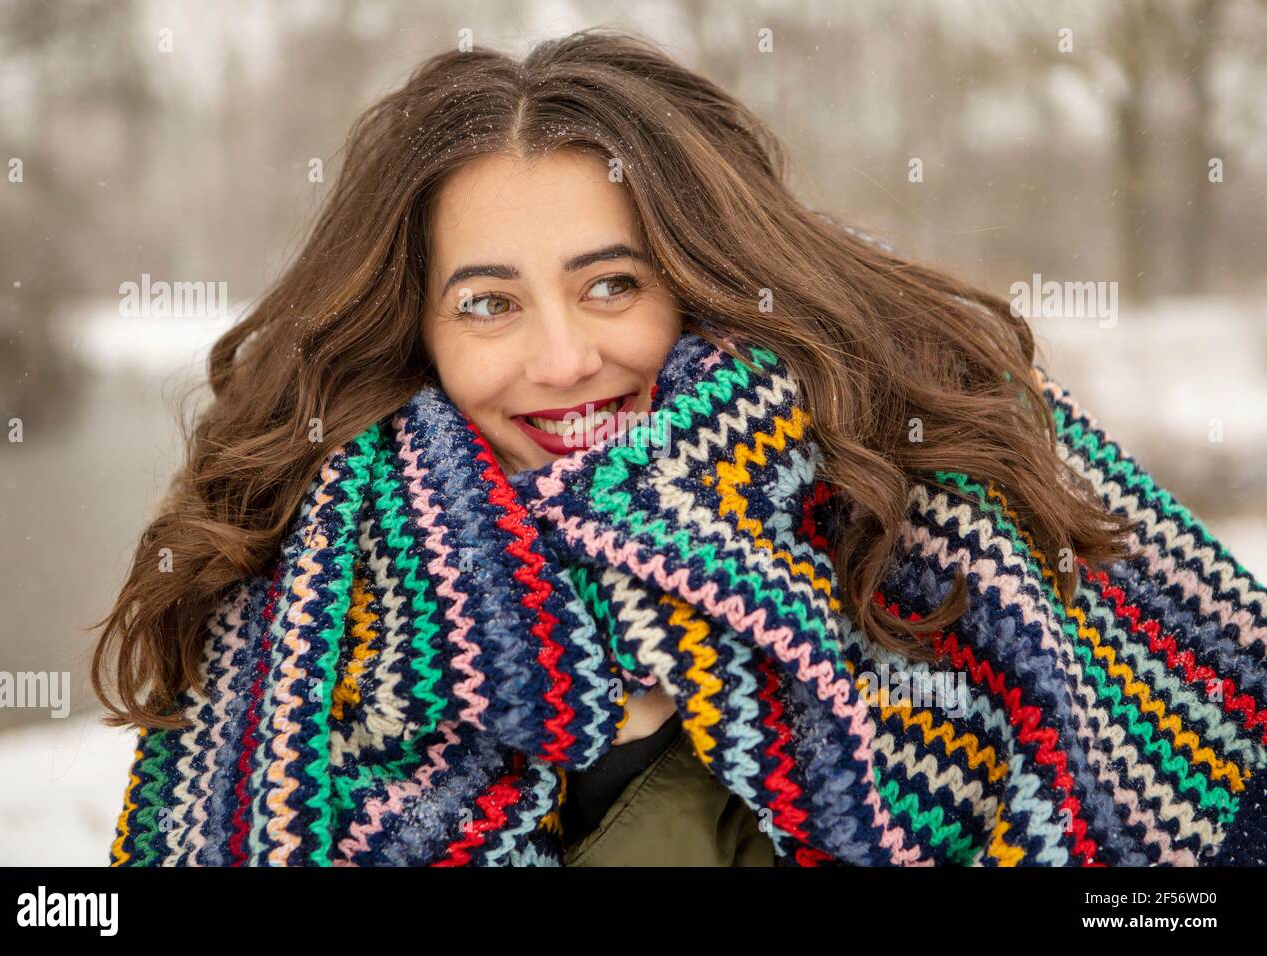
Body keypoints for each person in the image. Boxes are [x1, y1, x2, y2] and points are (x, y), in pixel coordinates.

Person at [96, 28, 1267, 867]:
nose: (561, 361)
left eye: (614, 284)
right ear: (416, 334)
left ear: (711, 281)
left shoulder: (923, 484)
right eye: (489, 304)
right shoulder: (311, 598)